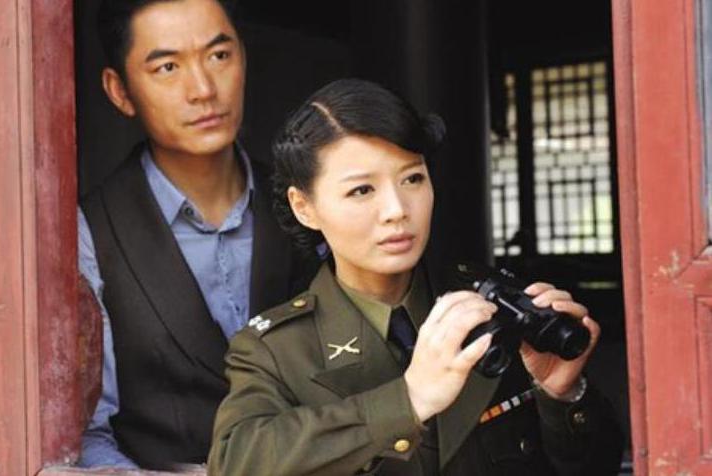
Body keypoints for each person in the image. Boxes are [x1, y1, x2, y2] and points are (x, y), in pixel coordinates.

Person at [208, 79, 623, 475]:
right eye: (362, 190)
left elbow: (600, 466)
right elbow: (236, 462)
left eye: (412, 179)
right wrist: (407, 400)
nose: (396, 210)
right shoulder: (275, 351)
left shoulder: (496, 306)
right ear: (304, 207)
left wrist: (562, 395)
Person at [77, 0, 316, 469]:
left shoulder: (308, 205)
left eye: (219, 56)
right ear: (120, 91)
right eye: (168, 67)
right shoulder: (92, 230)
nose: (204, 90)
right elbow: (88, 436)